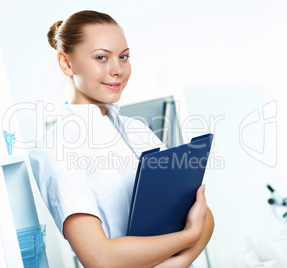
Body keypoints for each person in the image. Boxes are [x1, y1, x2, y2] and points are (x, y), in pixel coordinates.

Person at [29, 10, 214, 268]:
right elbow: (99, 258)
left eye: (123, 57)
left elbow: (204, 215)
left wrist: (181, 258)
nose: (117, 69)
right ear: (66, 63)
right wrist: (188, 236)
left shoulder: (138, 130)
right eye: (101, 57)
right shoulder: (57, 146)